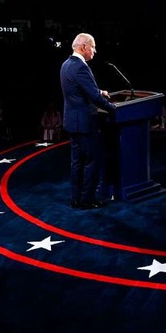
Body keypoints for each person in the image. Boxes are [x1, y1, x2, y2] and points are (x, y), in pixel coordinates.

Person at [60, 33, 116, 210]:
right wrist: (114, 109)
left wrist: (99, 91)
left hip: (72, 122)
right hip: (85, 123)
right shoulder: (81, 67)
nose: (95, 51)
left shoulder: (66, 65)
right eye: (93, 46)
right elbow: (93, 98)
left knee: (77, 162)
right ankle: (87, 199)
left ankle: (76, 198)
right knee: (92, 160)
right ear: (83, 47)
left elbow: (79, 89)